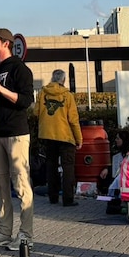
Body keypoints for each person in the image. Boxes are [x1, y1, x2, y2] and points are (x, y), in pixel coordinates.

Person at [0, 28, 35, 252]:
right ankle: (3, 232)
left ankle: (26, 235)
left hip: (16, 134)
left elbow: (25, 101)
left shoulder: (20, 69)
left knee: (21, 185)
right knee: (0, 185)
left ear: (6, 43)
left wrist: (1, 89)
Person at [35, 69, 83, 207]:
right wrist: (79, 139)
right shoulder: (68, 96)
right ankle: (68, 199)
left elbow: (36, 112)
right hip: (65, 136)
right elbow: (73, 120)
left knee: (51, 166)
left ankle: (53, 197)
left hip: (48, 135)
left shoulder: (43, 93)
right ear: (63, 80)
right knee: (68, 168)